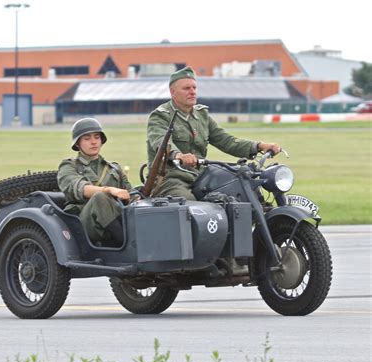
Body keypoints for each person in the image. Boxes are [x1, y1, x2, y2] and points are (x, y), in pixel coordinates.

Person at [146, 66, 281, 200]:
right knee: (189, 206)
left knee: (239, 188)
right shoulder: (161, 116)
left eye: (194, 88)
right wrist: (179, 155)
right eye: (186, 88)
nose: (192, 92)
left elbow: (226, 141)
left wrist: (259, 146)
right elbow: (161, 142)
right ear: (173, 92)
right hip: (171, 178)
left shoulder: (201, 115)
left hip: (200, 175)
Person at [57, 118, 132, 246]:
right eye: (87, 138)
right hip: (85, 224)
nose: (93, 142)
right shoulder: (69, 166)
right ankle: (128, 244)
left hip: (117, 217)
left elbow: (130, 193)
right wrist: (109, 190)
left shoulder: (114, 168)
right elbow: (80, 188)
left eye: (97, 137)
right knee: (100, 197)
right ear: (77, 144)